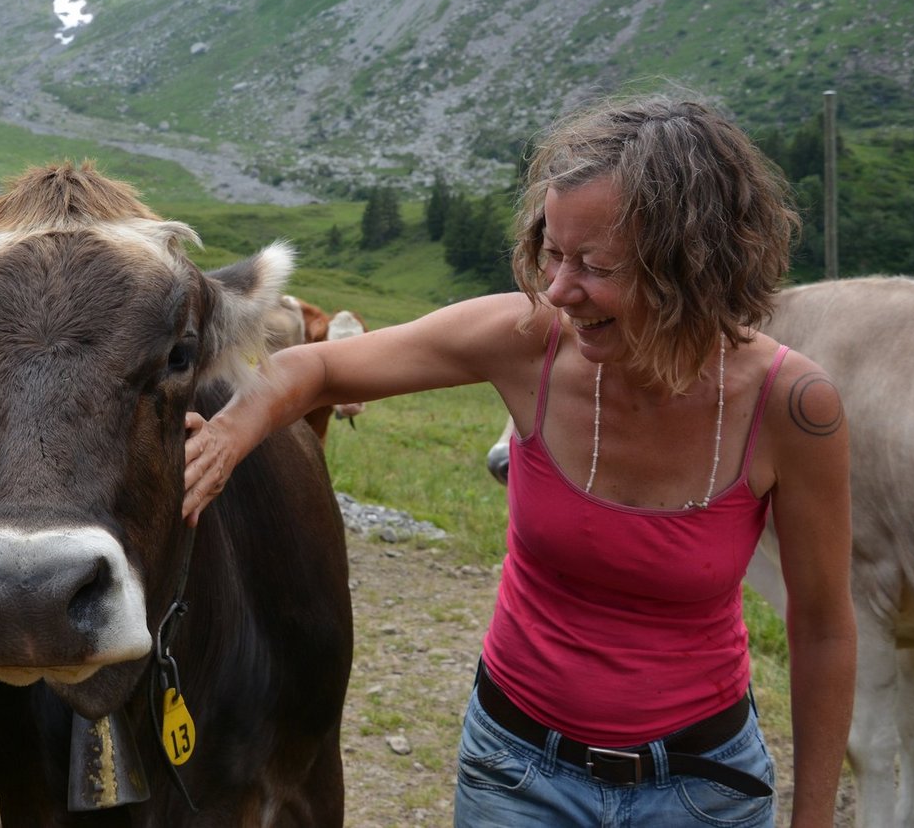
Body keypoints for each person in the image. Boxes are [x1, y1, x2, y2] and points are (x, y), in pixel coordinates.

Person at [182, 94, 855, 827]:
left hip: (703, 787)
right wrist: (227, 436)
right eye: (552, 253)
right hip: (518, 776)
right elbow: (317, 369)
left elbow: (824, 628)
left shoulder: (794, 407)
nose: (559, 291)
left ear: (691, 266)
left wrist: (814, 819)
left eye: (594, 265)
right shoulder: (528, 339)